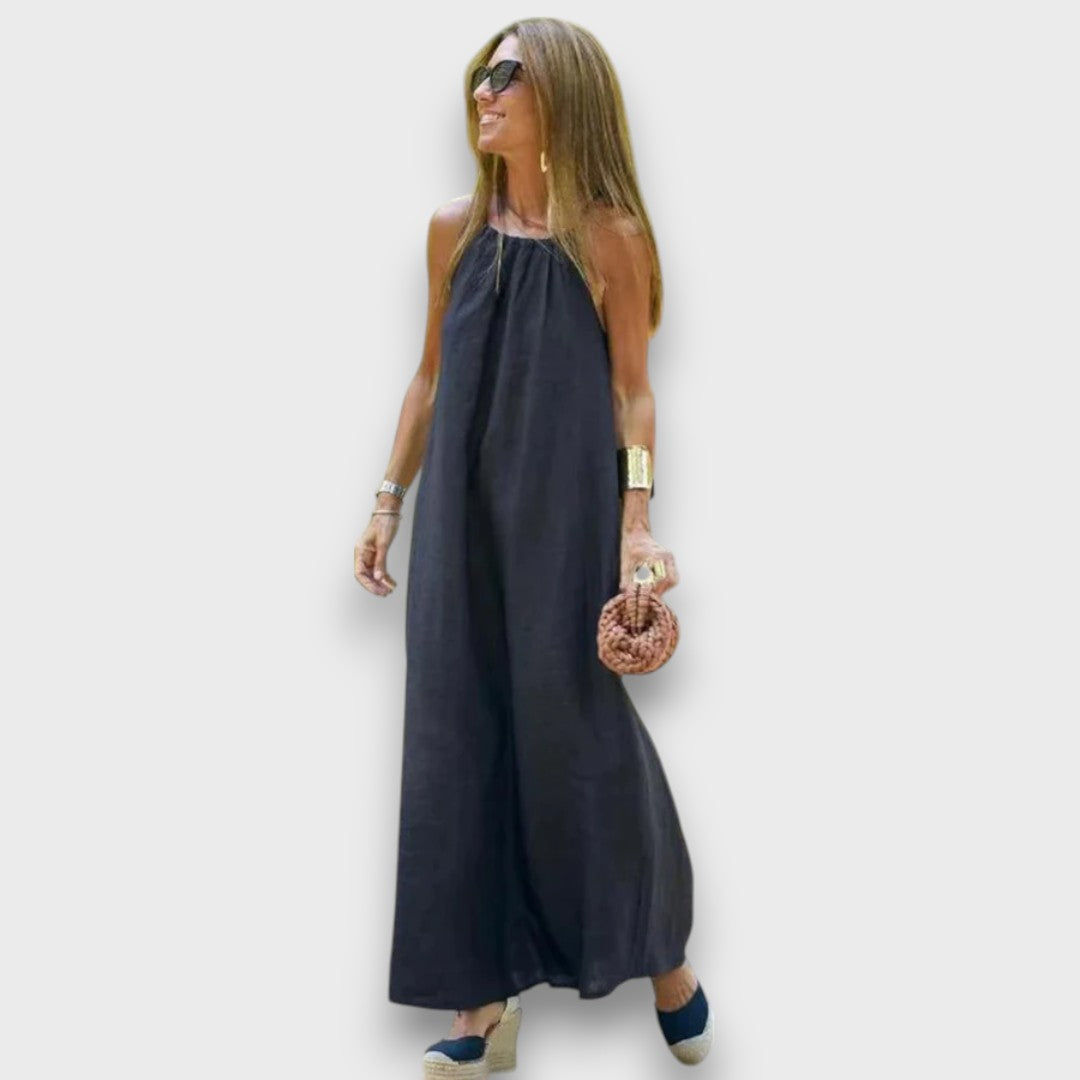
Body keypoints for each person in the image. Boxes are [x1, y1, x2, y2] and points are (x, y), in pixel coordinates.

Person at [354, 18, 714, 1074]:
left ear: (564, 95)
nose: (485, 89)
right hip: (459, 522)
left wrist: (636, 518)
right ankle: (480, 1003)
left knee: (581, 739)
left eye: (509, 73)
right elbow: (429, 377)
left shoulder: (610, 238)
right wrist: (387, 500)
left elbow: (634, 392)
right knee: (454, 738)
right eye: (483, 71)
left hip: (563, 516)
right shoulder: (451, 231)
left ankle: (664, 957)